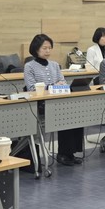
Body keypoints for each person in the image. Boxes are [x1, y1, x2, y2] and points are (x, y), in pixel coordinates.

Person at [24, 34, 84, 166]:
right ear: (36, 49)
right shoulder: (29, 66)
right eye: (44, 48)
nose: (47, 51)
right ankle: (64, 154)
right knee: (65, 113)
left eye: (49, 48)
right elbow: (31, 88)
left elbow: (62, 81)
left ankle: (71, 152)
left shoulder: (55, 65)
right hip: (41, 104)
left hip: (58, 101)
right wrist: (52, 86)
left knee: (76, 112)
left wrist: (59, 85)